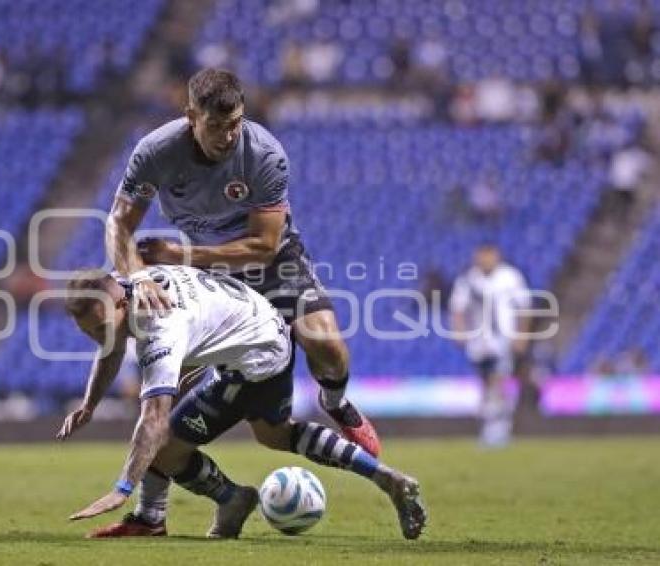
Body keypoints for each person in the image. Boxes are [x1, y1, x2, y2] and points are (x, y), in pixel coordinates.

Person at [102, 67, 382, 535]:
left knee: (327, 345)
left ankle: (336, 402)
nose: (229, 136)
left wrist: (181, 253)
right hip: (207, 276)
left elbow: (264, 246)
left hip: (272, 263)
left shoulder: (264, 153)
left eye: (236, 123)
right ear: (191, 115)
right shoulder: (155, 153)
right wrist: (135, 281)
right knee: (166, 382)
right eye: (217, 126)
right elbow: (118, 226)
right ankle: (151, 515)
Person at [57, 266, 426, 540]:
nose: (98, 337)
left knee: (163, 446)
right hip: (260, 331)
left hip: (253, 359)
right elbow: (112, 348)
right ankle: (384, 477)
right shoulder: (130, 282)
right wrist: (90, 404)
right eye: (89, 332)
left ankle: (217, 502)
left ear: (121, 303)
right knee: (275, 435)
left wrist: (121, 489)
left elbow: (153, 419)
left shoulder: (159, 328)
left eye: (102, 326)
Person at [449, 244, 531, 447]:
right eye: (481, 256)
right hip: (479, 342)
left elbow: (524, 307)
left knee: (498, 381)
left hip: (503, 339)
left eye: (488, 256)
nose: (485, 260)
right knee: (486, 384)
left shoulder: (510, 277)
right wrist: (459, 331)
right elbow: (458, 308)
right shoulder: (468, 279)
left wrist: (521, 336)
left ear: (496, 256)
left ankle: (497, 429)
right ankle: (493, 425)